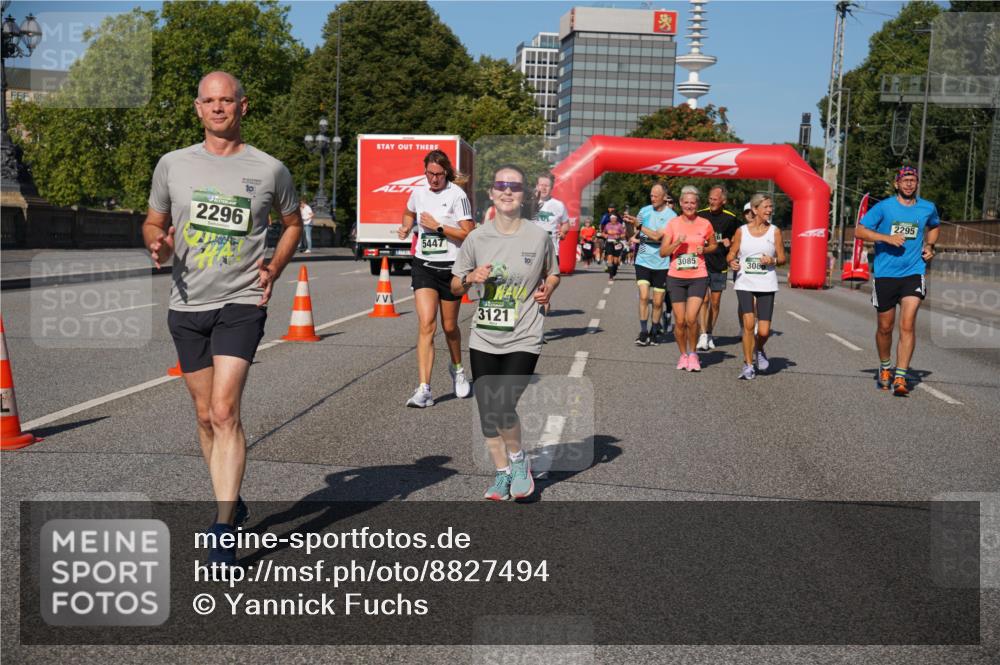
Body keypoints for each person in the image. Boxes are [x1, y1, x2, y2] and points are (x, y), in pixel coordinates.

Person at [143, 71, 301, 564]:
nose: (217, 109)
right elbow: (154, 219)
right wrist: (155, 241)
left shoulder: (270, 170)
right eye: (209, 102)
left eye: (226, 101)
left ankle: (222, 525)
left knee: (225, 411)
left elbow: (292, 224)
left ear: (243, 106)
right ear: (198, 108)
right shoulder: (172, 165)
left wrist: (274, 266)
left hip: (241, 301)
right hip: (187, 304)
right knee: (204, 414)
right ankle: (229, 500)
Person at [451, 164, 560, 501]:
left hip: (524, 333)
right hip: (484, 335)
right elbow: (455, 285)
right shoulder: (476, 237)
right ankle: (502, 474)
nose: (508, 191)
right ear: (491, 192)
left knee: (502, 405)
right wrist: (471, 278)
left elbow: (552, 273)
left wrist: (548, 290)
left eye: (515, 186)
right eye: (501, 185)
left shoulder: (539, 236)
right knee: (488, 410)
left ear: (525, 194)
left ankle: (518, 461)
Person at [397, 150, 475, 407]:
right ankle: (424, 389)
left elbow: (468, 234)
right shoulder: (418, 193)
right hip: (424, 266)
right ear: (425, 171)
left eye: (438, 174)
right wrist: (407, 226)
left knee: (449, 327)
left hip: (452, 269)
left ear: (446, 173)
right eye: (430, 174)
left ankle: (458, 369)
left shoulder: (457, 195)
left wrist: (438, 227)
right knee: (426, 324)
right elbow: (409, 212)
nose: (433, 179)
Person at [854, 166, 939, 395]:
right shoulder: (884, 207)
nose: (909, 184)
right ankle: (885, 366)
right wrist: (885, 238)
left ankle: (900, 377)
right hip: (885, 274)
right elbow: (860, 231)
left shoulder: (927, 207)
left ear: (917, 183)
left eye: (913, 180)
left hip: (913, 272)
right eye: (905, 180)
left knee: (908, 324)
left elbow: (934, 226)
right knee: (885, 327)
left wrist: (930, 246)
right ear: (896, 184)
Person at [727, 194, 786, 380]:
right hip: (745, 282)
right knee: (748, 324)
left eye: (771, 207)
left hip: (766, 283)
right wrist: (732, 261)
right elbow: (731, 252)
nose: (769, 210)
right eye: (766, 207)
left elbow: (783, 259)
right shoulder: (741, 231)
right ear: (755, 209)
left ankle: (759, 348)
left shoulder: (774, 231)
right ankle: (748, 364)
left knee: (764, 331)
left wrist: (773, 260)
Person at [659, 186, 717, 371]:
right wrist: (676, 242)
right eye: (686, 202)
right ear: (681, 204)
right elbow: (663, 252)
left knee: (692, 319)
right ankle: (683, 354)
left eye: (693, 203)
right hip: (676, 277)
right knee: (680, 320)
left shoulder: (705, 224)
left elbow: (714, 245)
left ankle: (693, 354)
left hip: (698, 276)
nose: (689, 206)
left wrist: (705, 249)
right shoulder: (673, 224)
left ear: (697, 204)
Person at [624, 183, 675, 346]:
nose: (652, 198)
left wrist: (639, 226)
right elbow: (633, 234)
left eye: (655, 195)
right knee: (644, 296)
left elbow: (657, 237)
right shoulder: (644, 211)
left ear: (664, 197)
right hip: (643, 260)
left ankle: (654, 330)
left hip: (662, 262)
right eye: (651, 195)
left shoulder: (671, 216)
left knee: (658, 301)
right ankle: (643, 331)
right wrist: (628, 224)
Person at [696, 185, 740, 351]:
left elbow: (740, 236)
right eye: (710, 199)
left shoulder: (731, 218)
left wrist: (732, 243)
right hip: (702, 263)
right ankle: (702, 335)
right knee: (703, 299)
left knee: (715, 302)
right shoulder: (700, 215)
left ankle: (709, 332)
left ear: (723, 201)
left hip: (720, 264)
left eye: (715, 199)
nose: (711, 201)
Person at [530, 172, 569, 316]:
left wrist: (563, 232)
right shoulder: (528, 203)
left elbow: (565, 223)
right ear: (536, 186)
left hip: (551, 250)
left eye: (547, 185)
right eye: (541, 185)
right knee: (531, 288)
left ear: (551, 187)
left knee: (545, 289)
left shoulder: (558, 205)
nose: (544, 188)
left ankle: (539, 330)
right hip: (529, 249)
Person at [602, 214, 627, 279]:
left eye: (614, 218)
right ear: (610, 219)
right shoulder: (607, 225)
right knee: (610, 257)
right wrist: (605, 235)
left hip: (617, 243)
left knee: (615, 261)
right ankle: (611, 275)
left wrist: (619, 236)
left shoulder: (619, 225)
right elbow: (603, 232)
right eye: (612, 218)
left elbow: (624, 234)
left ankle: (614, 270)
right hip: (609, 242)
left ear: (616, 219)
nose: (613, 219)